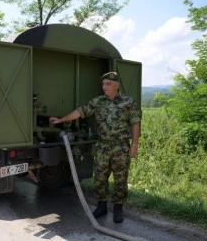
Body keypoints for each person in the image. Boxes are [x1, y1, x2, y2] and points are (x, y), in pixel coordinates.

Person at [49, 71, 141, 223]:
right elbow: (80, 112)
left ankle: (118, 209)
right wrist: (61, 120)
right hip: (103, 147)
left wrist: (135, 144)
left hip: (121, 147)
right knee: (99, 178)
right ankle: (101, 206)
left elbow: (135, 123)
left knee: (120, 179)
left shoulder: (128, 102)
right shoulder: (98, 102)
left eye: (108, 84)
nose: (104, 87)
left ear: (116, 85)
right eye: (103, 84)